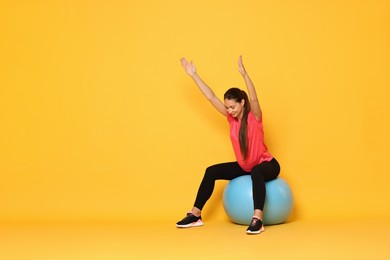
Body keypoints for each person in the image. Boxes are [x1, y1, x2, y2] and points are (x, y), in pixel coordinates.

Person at [176, 56, 280, 235]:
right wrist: (194, 75)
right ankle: (195, 215)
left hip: (267, 165)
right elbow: (211, 97)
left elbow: (254, 98)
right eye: (227, 107)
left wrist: (245, 75)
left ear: (242, 103)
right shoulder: (231, 120)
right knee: (211, 171)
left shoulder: (254, 117)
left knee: (256, 171)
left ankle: (257, 219)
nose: (229, 110)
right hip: (244, 167)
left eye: (232, 106)